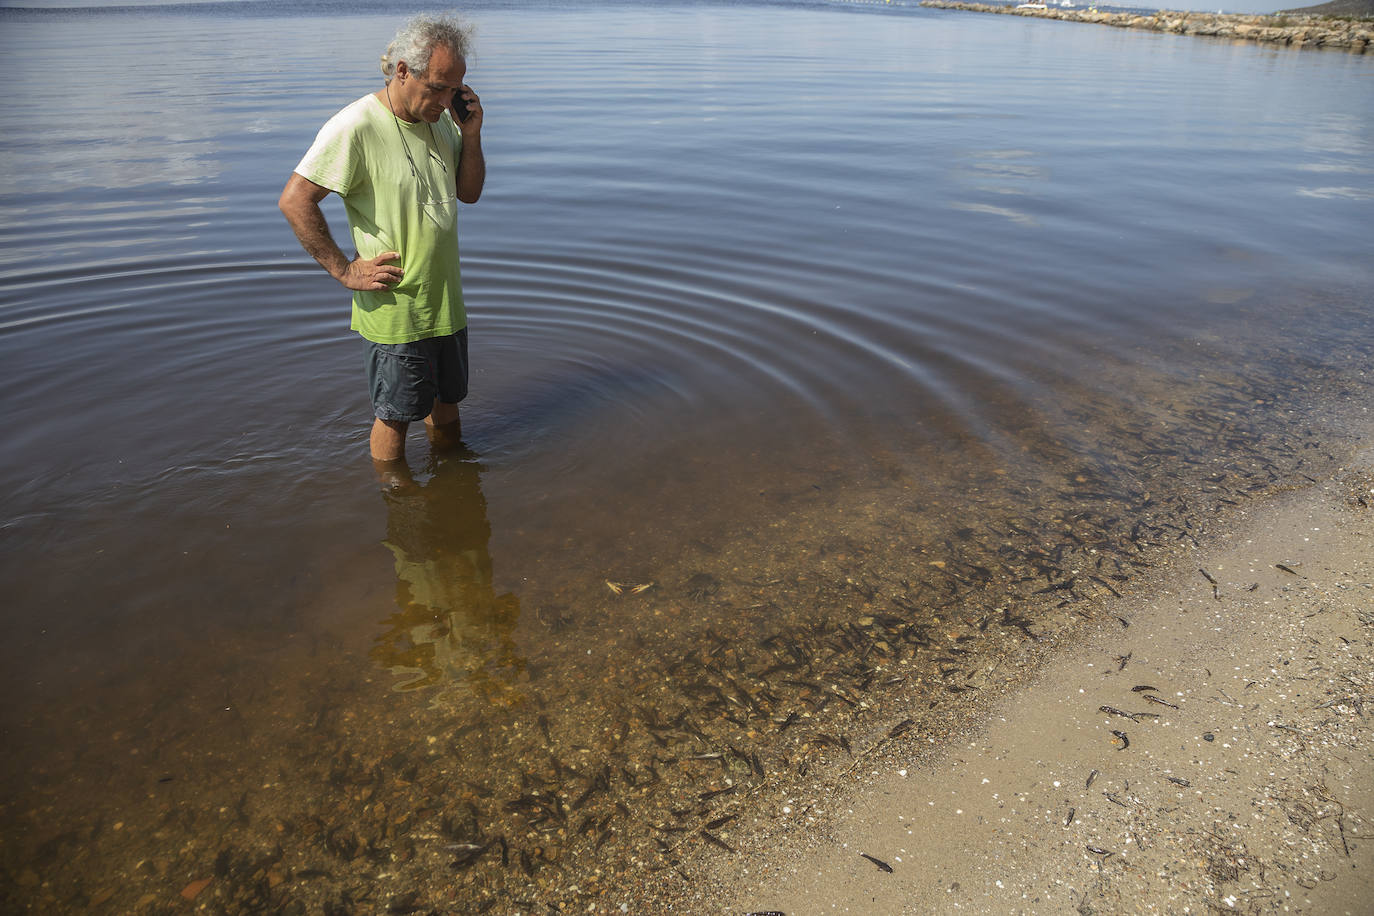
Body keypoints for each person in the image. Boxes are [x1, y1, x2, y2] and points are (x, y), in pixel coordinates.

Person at [278, 12, 485, 463]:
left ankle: (454, 483)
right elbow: (295, 200)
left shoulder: (443, 120)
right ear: (403, 71)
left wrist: (471, 134)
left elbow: (468, 193)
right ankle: (396, 496)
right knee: (395, 416)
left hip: (444, 300)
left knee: (447, 403)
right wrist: (344, 270)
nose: (445, 99)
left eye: (454, 88)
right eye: (438, 87)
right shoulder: (356, 125)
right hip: (395, 307)